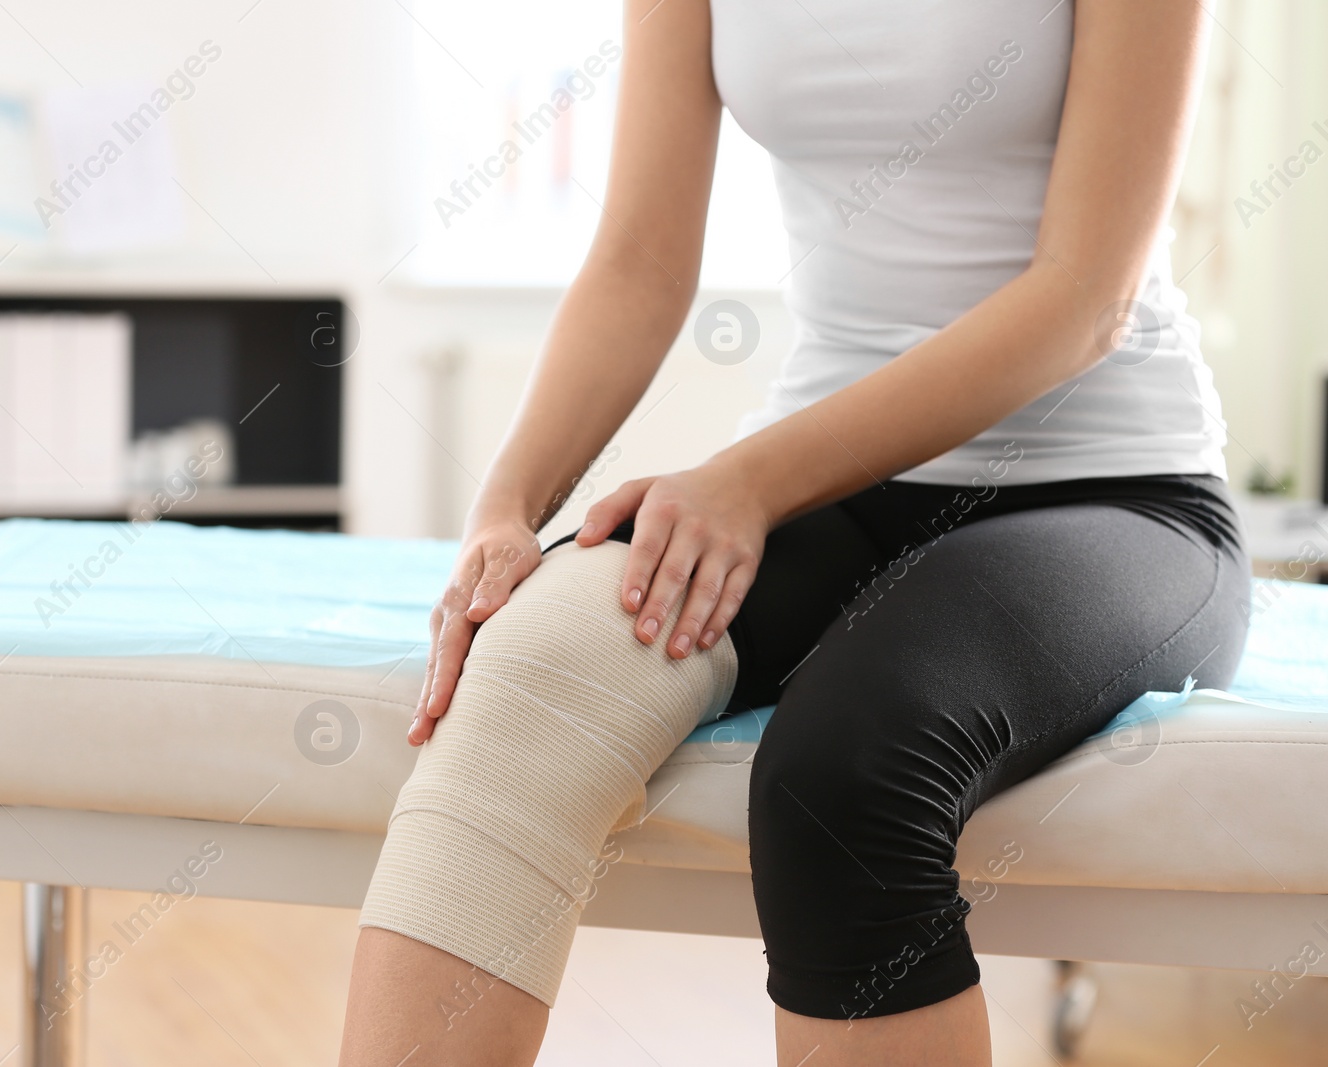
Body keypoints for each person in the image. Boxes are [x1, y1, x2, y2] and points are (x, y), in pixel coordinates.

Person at [340, 1, 1249, 1064]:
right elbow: (638, 261)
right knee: (528, 682)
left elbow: (1084, 297)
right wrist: (505, 508)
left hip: (1109, 489)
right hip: (825, 477)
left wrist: (743, 481)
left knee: (845, 773)